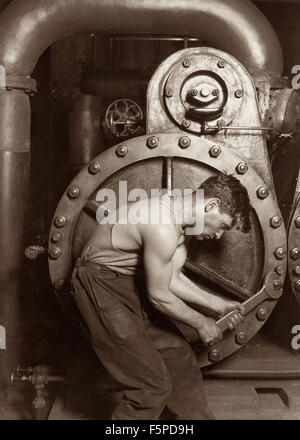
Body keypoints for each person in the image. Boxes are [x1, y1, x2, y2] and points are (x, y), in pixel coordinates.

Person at [71, 173, 251, 420]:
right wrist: (201, 323)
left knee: (179, 358)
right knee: (151, 387)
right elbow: (158, 295)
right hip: (99, 285)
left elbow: (172, 278)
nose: (219, 236)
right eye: (222, 226)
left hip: (127, 283)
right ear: (211, 206)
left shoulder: (182, 218)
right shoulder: (162, 224)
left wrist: (218, 305)